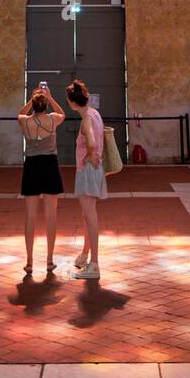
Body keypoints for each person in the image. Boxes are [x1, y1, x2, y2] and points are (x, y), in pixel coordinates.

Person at [17, 87, 65, 274]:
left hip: (31, 167)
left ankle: (29, 262)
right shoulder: (53, 119)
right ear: (45, 105)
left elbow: (20, 114)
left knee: (30, 216)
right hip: (50, 166)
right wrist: (50, 97)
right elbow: (62, 113)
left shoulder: (25, 122)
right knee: (51, 216)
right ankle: (49, 260)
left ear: (34, 106)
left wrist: (31, 99)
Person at [66, 79, 107, 279]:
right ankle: (85, 254)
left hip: (87, 170)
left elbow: (91, 140)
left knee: (90, 217)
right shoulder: (95, 113)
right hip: (95, 170)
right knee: (87, 214)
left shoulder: (86, 120)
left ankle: (95, 264)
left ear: (72, 102)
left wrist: (90, 153)